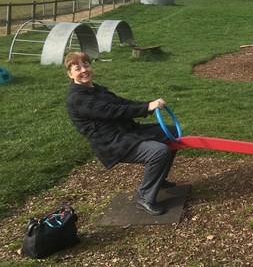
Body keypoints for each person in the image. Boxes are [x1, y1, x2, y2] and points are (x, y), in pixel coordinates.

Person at [64, 52, 177, 216]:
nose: (84, 70)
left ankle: (159, 180)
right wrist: (146, 108)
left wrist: (148, 105)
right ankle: (145, 197)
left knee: (172, 132)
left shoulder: (95, 89)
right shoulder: (77, 98)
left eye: (86, 65)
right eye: (77, 68)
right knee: (159, 151)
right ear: (70, 73)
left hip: (127, 132)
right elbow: (113, 111)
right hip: (112, 143)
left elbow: (122, 103)